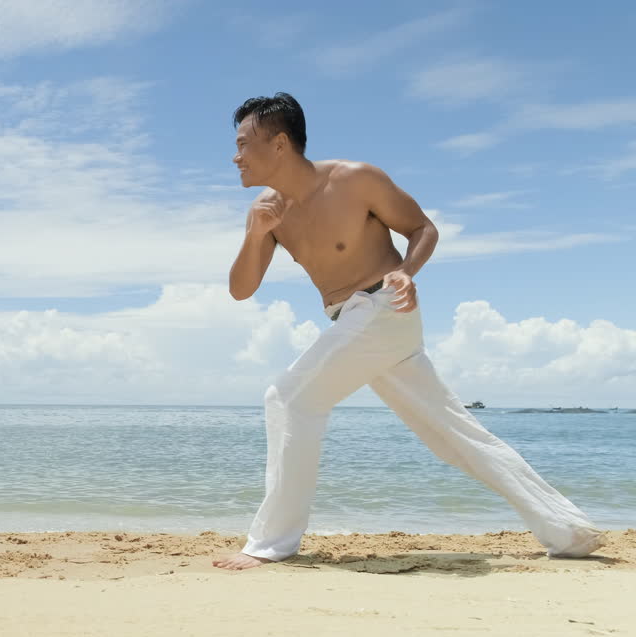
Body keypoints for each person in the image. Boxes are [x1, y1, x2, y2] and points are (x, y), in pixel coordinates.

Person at [213, 93, 604, 570]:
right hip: (356, 326)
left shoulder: (355, 180)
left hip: (384, 308)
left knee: (289, 398)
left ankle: (271, 543)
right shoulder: (267, 210)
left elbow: (422, 228)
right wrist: (255, 234)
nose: (235, 157)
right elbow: (240, 290)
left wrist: (407, 272)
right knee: (455, 436)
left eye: (242, 144)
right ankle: (569, 531)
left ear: (278, 144)